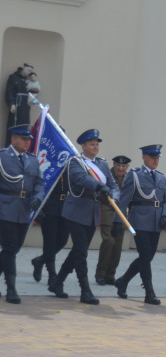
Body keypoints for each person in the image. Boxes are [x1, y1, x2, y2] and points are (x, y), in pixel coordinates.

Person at [49, 129, 117, 305]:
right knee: (81, 252)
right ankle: (85, 290)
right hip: (76, 211)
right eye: (92, 144)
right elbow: (81, 179)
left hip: (93, 213)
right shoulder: (75, 162)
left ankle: (57, 282)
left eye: (97, 144)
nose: (95, 147)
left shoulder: (102, 164)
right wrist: (100, 186)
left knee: (78, 251)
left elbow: (113, 184)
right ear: (83, 146)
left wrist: (113, 196)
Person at [113, 145, 166, 305]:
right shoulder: (135, 175)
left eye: (157, 157)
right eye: (153, 157)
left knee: (147, 257)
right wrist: (118, 221)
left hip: (156, 222)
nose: (156, 160)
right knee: (145, 257)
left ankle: (122, 281)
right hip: (139, 221)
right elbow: (123, 200)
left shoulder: (161, 177)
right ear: (144, 157)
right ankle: (149, 292)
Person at [0, 124, 43, 303]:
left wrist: (39, 197)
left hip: (24, 210)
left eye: (29, 140)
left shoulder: (32, 160)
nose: (27, 142)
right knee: (10, 249)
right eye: (24, 139)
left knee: (13, 248)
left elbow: (40, 182)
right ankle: (11, 289)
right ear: (13, 139)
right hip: (6, 208)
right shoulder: (2, 157)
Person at [30, 159, 70, 288]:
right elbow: (38, 186)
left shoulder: (70, 167)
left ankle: (40, 260)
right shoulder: (48, 167)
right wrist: (39, 209)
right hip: (49, 206)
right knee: (50, 241)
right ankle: (52, 274)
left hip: (65, 207)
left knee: (63, 240)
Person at [95, 155, 130, 286]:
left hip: (121, 214)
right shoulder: (106, 176)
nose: (120, 168)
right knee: (109, 241)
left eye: (123, 166)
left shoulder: (129, 178)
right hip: (107, 210)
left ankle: (110, 275)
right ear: (114, 165)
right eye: (118, 165)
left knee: (117, 246)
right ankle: (100, 273)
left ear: (127, 167)